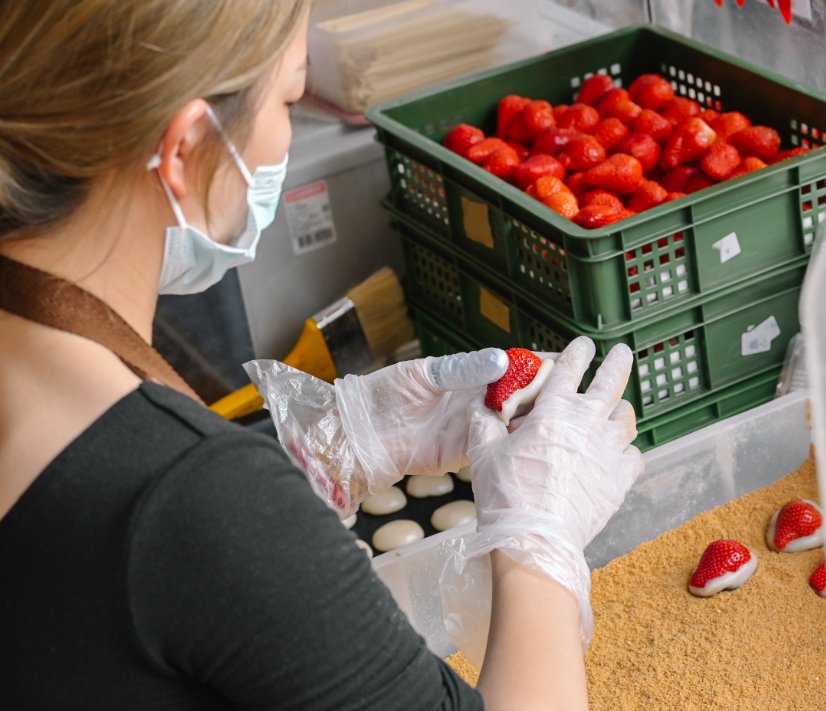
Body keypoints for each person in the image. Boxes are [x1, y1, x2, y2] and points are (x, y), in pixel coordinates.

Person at [0, 2, 644, 709]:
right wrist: (537, 542)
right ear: (183, 148)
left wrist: (323, 445)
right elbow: (164, 516)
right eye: (288, 98)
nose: (286, 130)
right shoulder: (195, 499)